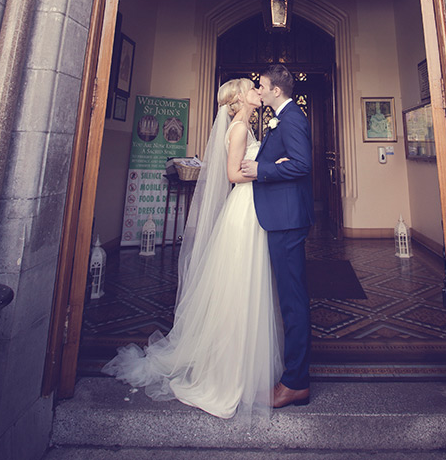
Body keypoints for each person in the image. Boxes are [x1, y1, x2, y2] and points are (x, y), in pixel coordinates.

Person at [103, 78, 283, 421]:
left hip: (250, 208)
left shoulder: (243, 125)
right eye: (252, 88)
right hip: (244, 211)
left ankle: (242, 365)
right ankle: (228, 372)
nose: (258, 91)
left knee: (242, 288)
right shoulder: (240, 128)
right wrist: (267, 173)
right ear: (239, 98)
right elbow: (232, 174)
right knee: (239, 287)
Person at [241, 64, 315, 409]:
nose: (260, 88)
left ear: (275, 91)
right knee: (288, 298)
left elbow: (302, 164)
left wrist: (262, 170)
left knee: (293, 301)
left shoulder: (293, 118)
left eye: (262, 85)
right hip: (280, 218)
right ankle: (293, 376)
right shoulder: (281, 118)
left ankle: (296, 383)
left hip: (287, 221)